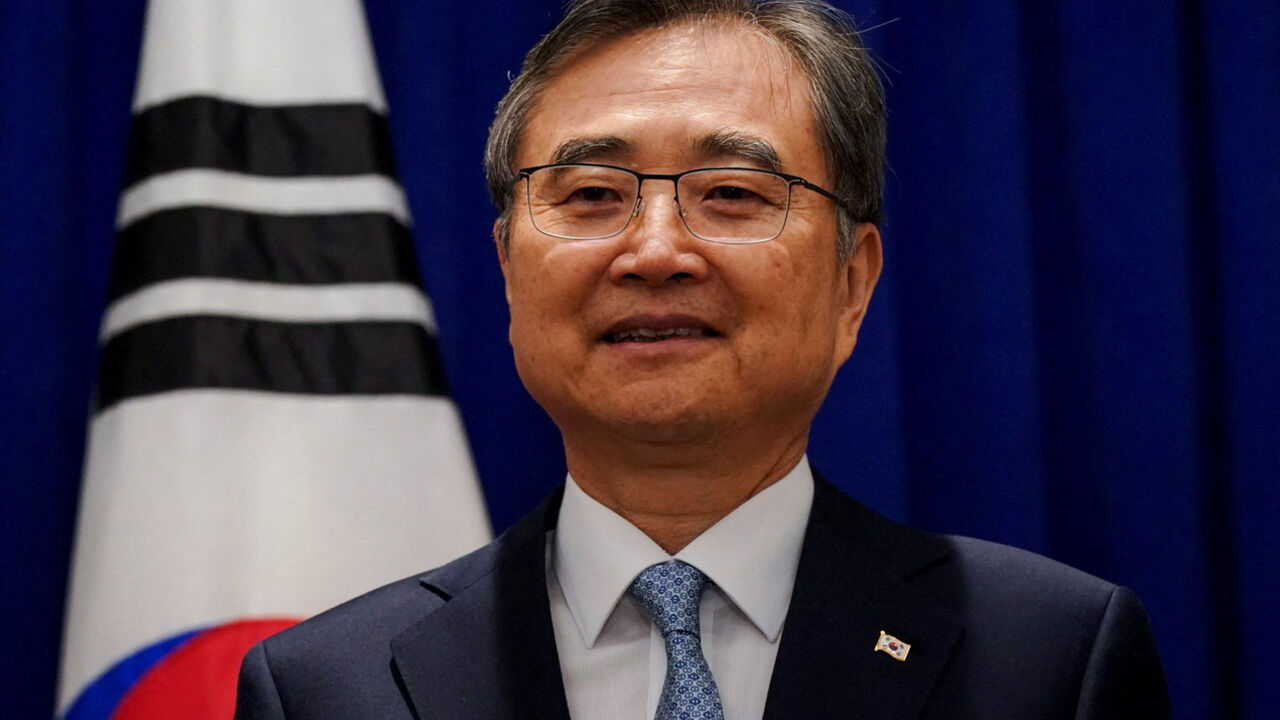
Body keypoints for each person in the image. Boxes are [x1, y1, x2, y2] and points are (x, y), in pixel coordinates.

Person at [234, 0, 1171, 717]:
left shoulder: (1048, 658)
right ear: (509, 274)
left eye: (730, 192)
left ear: (853, 282)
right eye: (593, 194)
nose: (653, 251)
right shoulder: (326, 687)